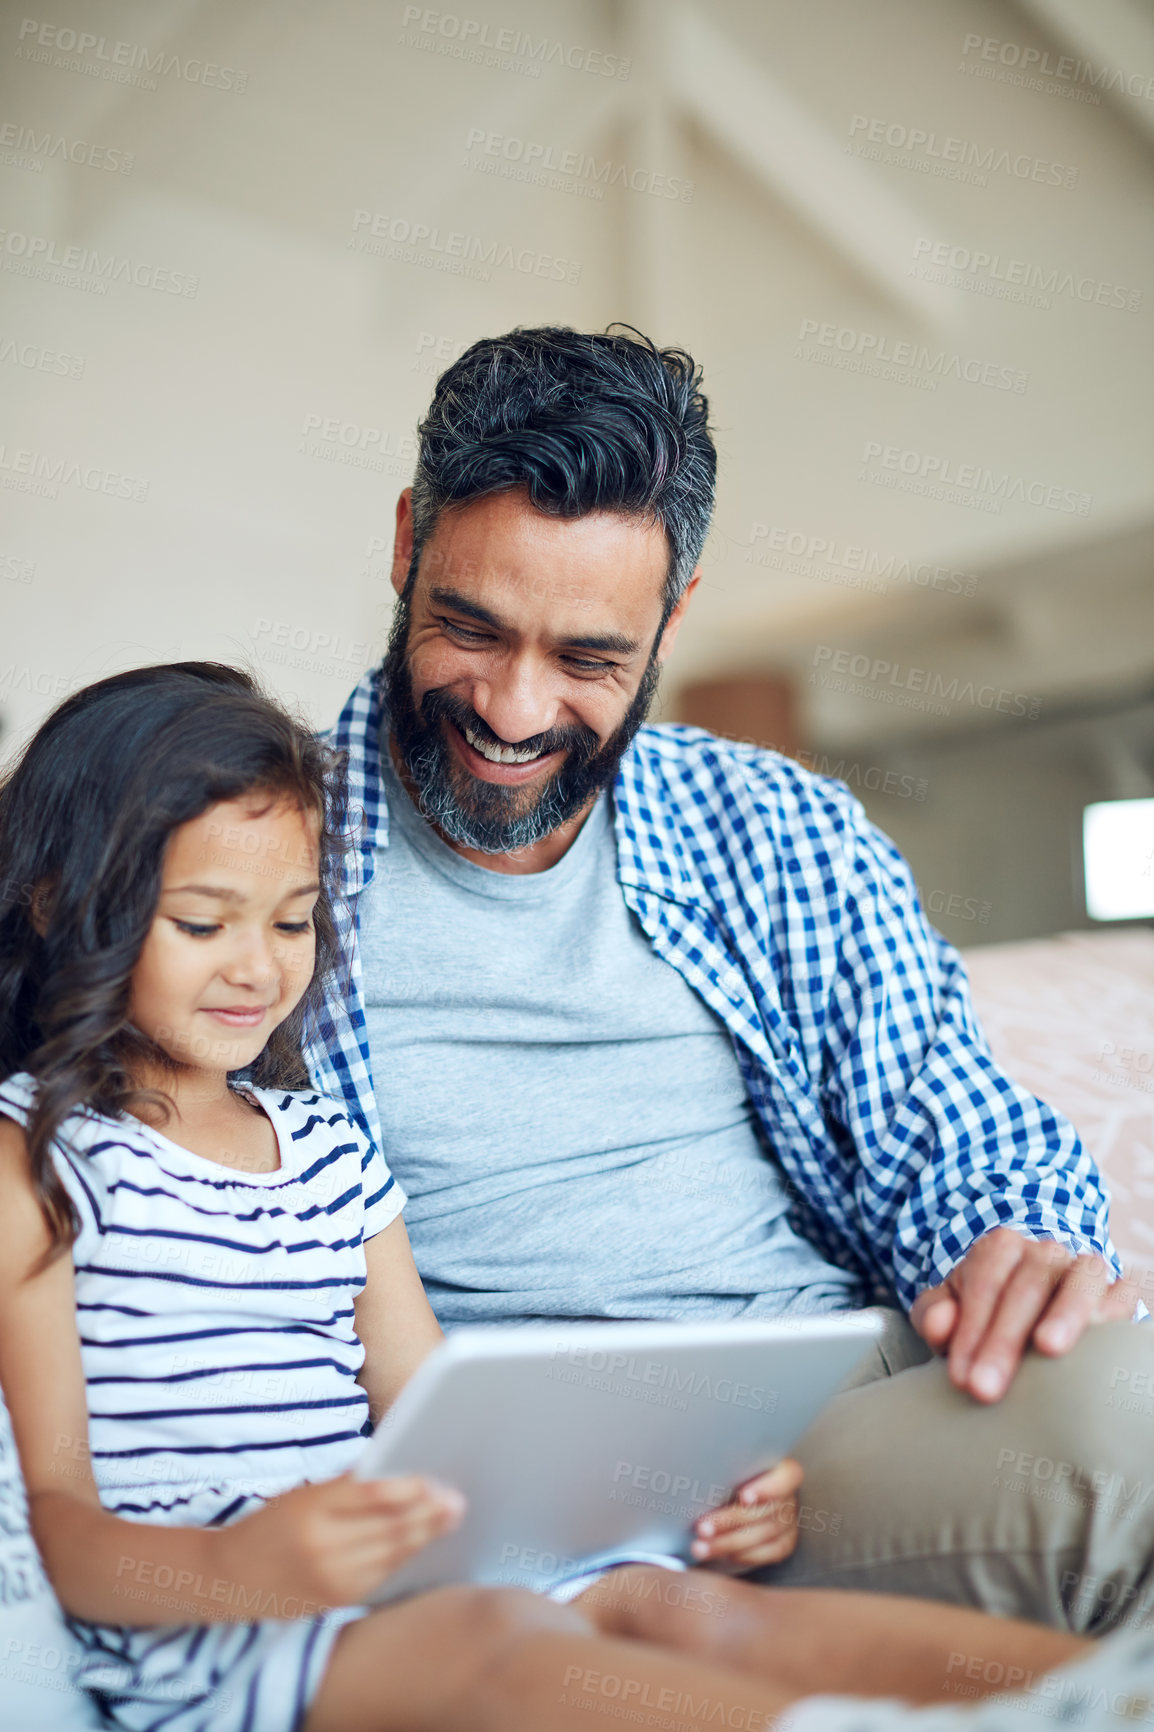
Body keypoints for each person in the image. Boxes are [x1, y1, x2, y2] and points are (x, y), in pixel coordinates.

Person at [304, 324, 1150, 1622]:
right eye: (471, 629)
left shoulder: (774, 826)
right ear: (408, 539)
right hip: (512, 1470)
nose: (516, 713)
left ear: (673, 614)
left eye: (588, 659)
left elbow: (954, 1131)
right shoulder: (244, 861)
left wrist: (1014, 1245)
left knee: (1123, 1416)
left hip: (828, 1418)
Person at [0, 660, 868, 1732]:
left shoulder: (325, 1149)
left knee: (682, 1608)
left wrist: (678, 1487)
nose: (257, 969)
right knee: (498, 1644)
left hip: (401, 1592)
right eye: (201, 922)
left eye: (290, 920)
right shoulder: (35, 1158)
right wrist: (238, 1565)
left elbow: (438, 1420)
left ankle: (1094, 1698)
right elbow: (58, 1521)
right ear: (55, 903)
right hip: (211, 1641)